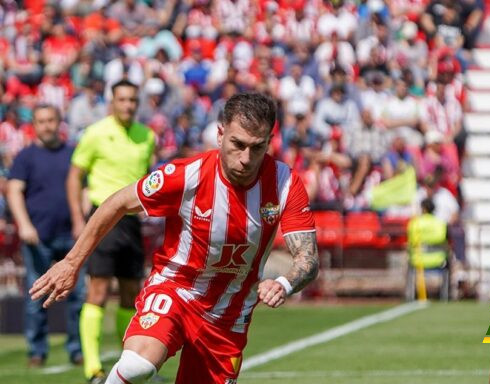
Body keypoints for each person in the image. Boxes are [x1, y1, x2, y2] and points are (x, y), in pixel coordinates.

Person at [30, 92, 319, 384]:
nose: (246, 159)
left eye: (257, 148)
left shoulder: (285, 183)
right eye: (238, 145)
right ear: (220, 135)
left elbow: (308, 259)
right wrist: (71, 263)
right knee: (137, 365)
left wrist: (284, 283)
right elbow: (116, 202)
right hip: (175, 290)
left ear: (269, 142)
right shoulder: (187, 175)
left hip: (228, 315)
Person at [67, 79, 156, 383]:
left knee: (132, 293)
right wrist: (80, 219)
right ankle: (93, 368)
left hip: (131, 223)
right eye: (122, 99)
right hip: (101, 218)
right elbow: (75, 175)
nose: (128, 105)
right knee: (98, 290)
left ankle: (129, 363)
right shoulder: (95, 134)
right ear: (112, 102)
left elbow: (148, 180)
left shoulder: (148, 136)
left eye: (133, 100)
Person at [6, 104, 85, 367]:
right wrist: (24, 225)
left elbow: (84, 187)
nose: (47, 125)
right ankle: (36, 352)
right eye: (41, 121)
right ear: (35, 125)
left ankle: (77, 350)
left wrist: (82, 218)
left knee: (77, 296)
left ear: (59, 122)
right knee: (36, 296)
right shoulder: (25, 157)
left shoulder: (73, 154)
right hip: (38, 238)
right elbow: (14, 191)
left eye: (51, 120)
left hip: (72, 237)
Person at [406, 198, 449, 301]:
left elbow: (412, 241)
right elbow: (444, 239)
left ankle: (410, 295)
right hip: (438, 261)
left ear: (423, 209)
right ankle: (445, 296)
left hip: (418, 261)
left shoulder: (414, 223)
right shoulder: (440, 223)